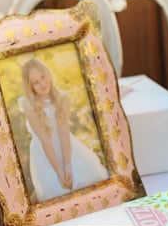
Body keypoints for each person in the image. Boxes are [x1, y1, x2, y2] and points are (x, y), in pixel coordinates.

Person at [19, 58, 108, 202]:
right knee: (54, 189)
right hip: (44, 152)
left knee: (82, 176)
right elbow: (44, 137)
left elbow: (64, 132)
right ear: (30, 87)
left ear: (48, 74)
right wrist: (59, 172)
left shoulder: (62, 98)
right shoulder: (28, 104)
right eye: (36, 82)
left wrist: (67, 166)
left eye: (43, 77)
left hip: (65, 146)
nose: (42, 84)